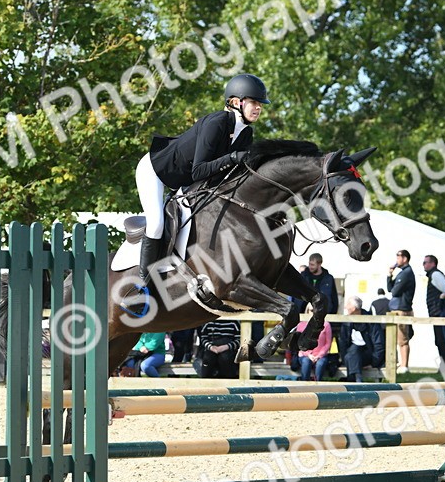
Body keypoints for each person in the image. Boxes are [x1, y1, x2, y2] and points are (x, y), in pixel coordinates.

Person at [132, 74, 269, 290]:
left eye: (260, 104)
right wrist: (232, 158)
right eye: (253, 102)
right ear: (236, 102)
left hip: (185, 182)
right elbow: (199, 170)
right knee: (157, 223)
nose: (258, 108)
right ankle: (141, 286)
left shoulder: (246, 134)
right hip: (156, 170)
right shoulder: (216, 124)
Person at [421, 254, 445, 374]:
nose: (424, 265)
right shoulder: (433, 274)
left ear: (433, 263)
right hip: (437, 313)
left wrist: (442, 297)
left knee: (442, 341)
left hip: (439, 313)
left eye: (426, 262)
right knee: (439, 341)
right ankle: (444, 366)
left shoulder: (435, 274)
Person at [386, 249, 416, 369]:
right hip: (397, 309)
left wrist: (393, 284)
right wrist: (389, 275)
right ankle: (399, 363)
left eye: (399, 257)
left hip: (402, 309)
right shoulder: (402, 273)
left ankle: (404, 365)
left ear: (405, 259)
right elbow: (390, 288)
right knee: (396, 338)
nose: (397, 260)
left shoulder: (406, 273)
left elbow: (394, 291)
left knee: (403, 339)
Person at [337, 297, 372, 382]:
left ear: (354, 308)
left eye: (348, 305)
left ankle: (352, 379)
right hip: (351, 356)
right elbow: (343, 342)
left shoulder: (370, 320)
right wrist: (345, 359)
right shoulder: (346, 321)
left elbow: (378, 343)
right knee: (352, 353)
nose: (346, 307)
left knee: (353, 352)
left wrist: (374, 363)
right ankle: (358, 379)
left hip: (367, 354)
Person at [294, 315, 333, 381]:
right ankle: (304, 384)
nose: (313, 312)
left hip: (320, 355)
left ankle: (317, 384)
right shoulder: (301, 324)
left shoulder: (326, 325)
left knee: (320, 364)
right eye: (311, 310)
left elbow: (328, 343)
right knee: (306, 362)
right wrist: (308, 354)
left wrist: (319, 355)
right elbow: (299, 343)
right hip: (305, 354)